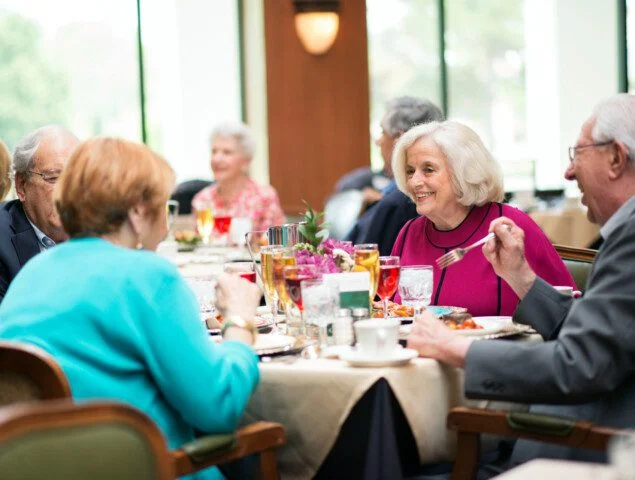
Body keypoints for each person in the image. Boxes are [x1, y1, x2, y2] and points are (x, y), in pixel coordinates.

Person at [0, 137, 261, 480]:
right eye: (163, 206)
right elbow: (218, 407)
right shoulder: (149, 276)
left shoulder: (32, 273)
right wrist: (240, 320)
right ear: (139, 213)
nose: (167, 222)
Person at [407, 93, 635, 475]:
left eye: (576, 154)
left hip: (588, 446)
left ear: (615, 157)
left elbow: (575, 364)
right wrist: (520, 276)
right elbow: (598, 335)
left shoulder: (630, 239)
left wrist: (457, 348)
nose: (567, 172)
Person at [390, 121, 574, 316]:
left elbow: (567, 311)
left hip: (499, 346)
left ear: (463, 172)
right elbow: (392, 311)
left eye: (428, 169)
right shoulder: (410, 233)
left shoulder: (509, 226)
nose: (415, 181)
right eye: (410, 171)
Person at [345, 97, 444, 254]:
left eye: (383, 132)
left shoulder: (399, 203)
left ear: (400, 140)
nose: (378, 141)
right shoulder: (389, 197)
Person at [0, 126, 79, 303]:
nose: (68, 192)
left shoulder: (101, 232)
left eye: (76, 179)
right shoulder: (2, 240)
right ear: (21, 185)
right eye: (53, 178)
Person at [192, 122, 285, 232]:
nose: (217, 159)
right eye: (214, 151)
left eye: (227, 152)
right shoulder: (202, 199)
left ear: (246, 161)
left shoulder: (264, 197)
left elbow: (276, 246)